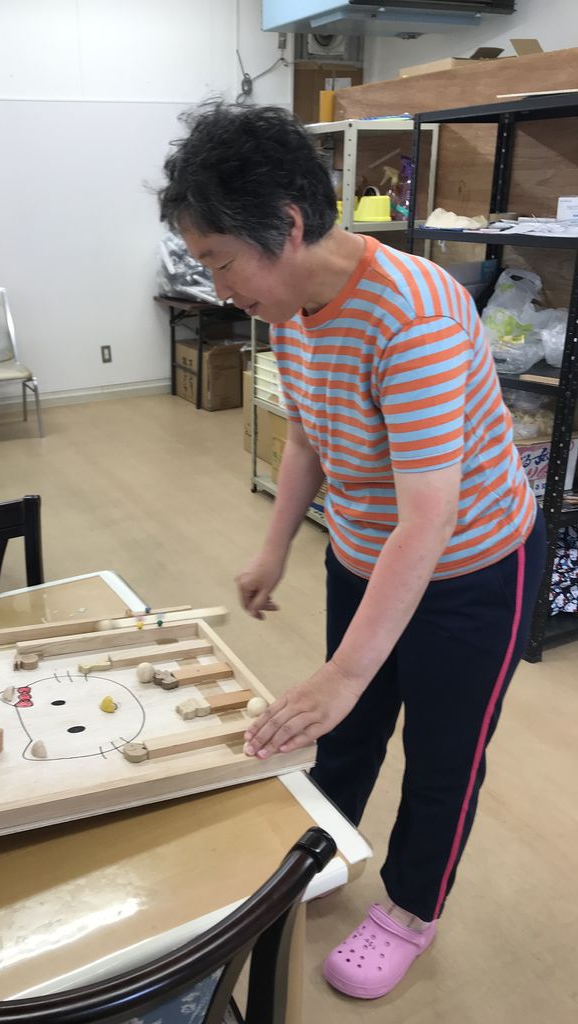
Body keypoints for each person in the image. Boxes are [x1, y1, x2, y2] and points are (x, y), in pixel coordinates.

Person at [158, 103, 546, 1000]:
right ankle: (323, 851)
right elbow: (307, 435)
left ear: (287, 225)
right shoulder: (290, 304)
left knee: (443, 752)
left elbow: (428, 520)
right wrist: (274, 549)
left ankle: (411, 909)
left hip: (473, 569)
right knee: (346, 727)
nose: (219, 287)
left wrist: (343, 672)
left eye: (220, 260)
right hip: (368, 553)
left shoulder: (413, 317)